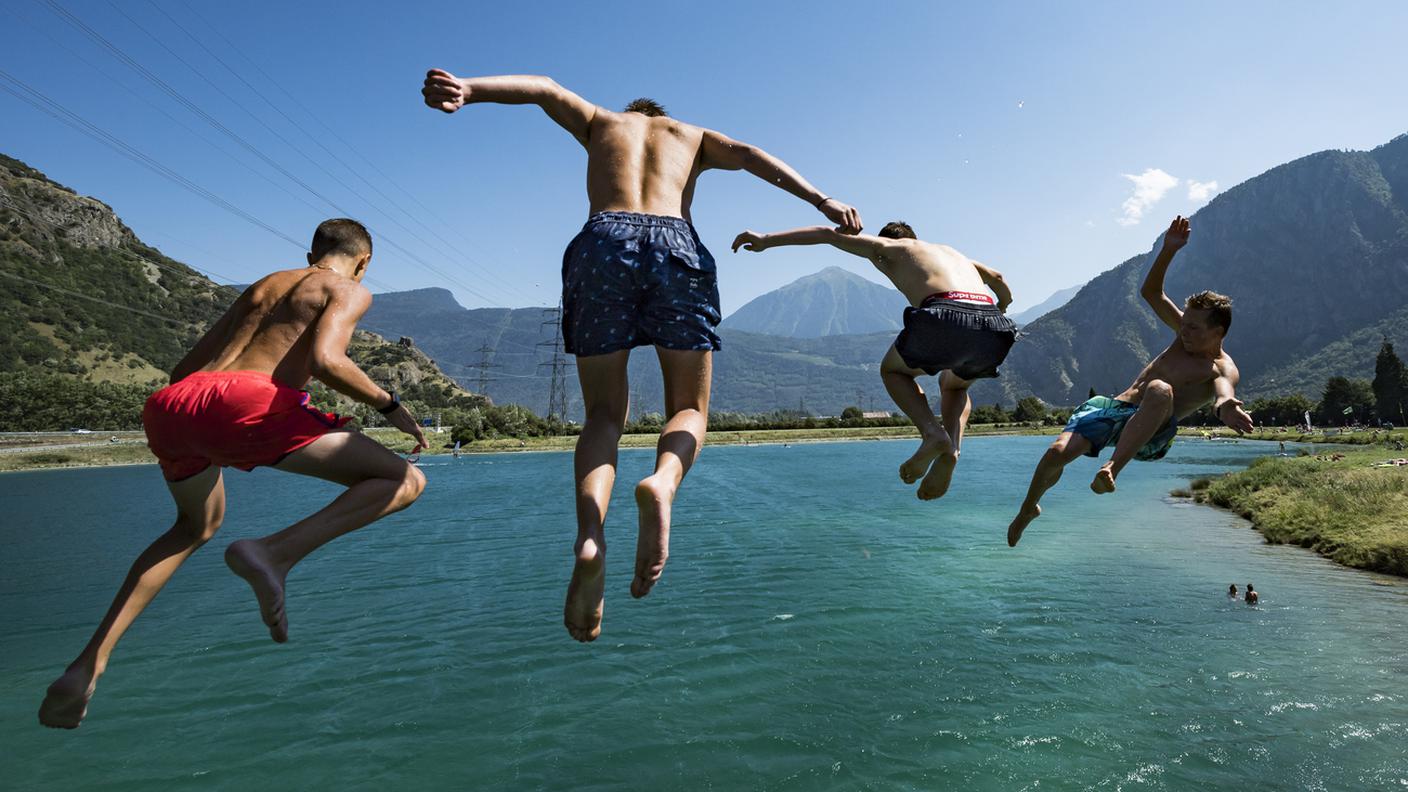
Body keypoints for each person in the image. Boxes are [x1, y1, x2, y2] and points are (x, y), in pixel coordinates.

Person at [422, 70, 862, 643]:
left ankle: (589, 536)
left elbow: (543, 89)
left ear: (632, 115)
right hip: (677, 242)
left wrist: (470, 88)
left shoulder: (602, 121)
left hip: (603, 241)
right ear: (662, 117)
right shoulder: (693, 136)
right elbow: (753, 155)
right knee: (689, 407)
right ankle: (663, 483)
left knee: (605, 413)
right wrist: (821, 198)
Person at [38, 219, 428, 729]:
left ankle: (89, 664)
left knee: (193, 527)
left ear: (311, 249)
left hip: (174, 406)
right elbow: (327, 360)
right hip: (247, 402)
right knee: (404, 481)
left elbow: (183, 372)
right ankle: (273, 553)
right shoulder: (347, 287)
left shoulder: (265, 284)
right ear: (363, 260)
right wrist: (389, 404)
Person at [1007, 216, 1255, 546]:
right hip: (1118, 408)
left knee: (1159, 388)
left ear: (1218, 332)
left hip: (1153, 432)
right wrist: (1168, 250)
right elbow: (1150, 292)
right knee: (1056, 453)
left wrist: (1227, 407)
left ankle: (1111, 470)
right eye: (1185, 323)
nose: (1184, 330)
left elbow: (1224, 393)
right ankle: (1028, 509)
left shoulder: (1222, 366)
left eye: (1194, 327)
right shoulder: (1185, 336)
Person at [732, 221, 1015, 498]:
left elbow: (826, 234)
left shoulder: (889, 247)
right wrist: (1001, 306)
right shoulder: (955, 255)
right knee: (955, 386)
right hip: (995, 327)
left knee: (893, 372)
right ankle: (952, 447)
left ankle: (932, 433)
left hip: (946, 312)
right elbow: (999, 280)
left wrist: (767, 239)